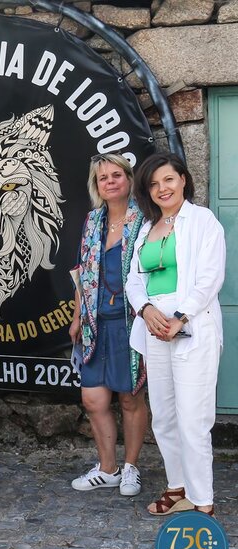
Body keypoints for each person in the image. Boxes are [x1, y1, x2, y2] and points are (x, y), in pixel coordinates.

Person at [126, 152, 225, 516]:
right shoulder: (147, 229)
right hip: (155, 331)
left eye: (168, 179)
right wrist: (147, 310)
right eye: (153, 184)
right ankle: (177, 487)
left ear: (183, 179)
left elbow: (211, 277)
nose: (161, 188)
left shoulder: (202, 221)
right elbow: (134, 281)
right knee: (164, 416)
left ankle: (203, 502)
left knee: (193, 418)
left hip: (191, 330)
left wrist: (180, 318)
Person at [69, 153, 148, 496]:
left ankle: (130, 467)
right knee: (93, 400)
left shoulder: (144, 220)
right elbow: (82, 274)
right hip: (94, 324)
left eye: (117, 175)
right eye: (104, 178)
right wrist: (76, 317)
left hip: (131, 323)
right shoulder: (92, 221)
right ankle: (107, 468)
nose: (111, 181)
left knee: (130, 398)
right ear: (96, 185)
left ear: (129, 179)